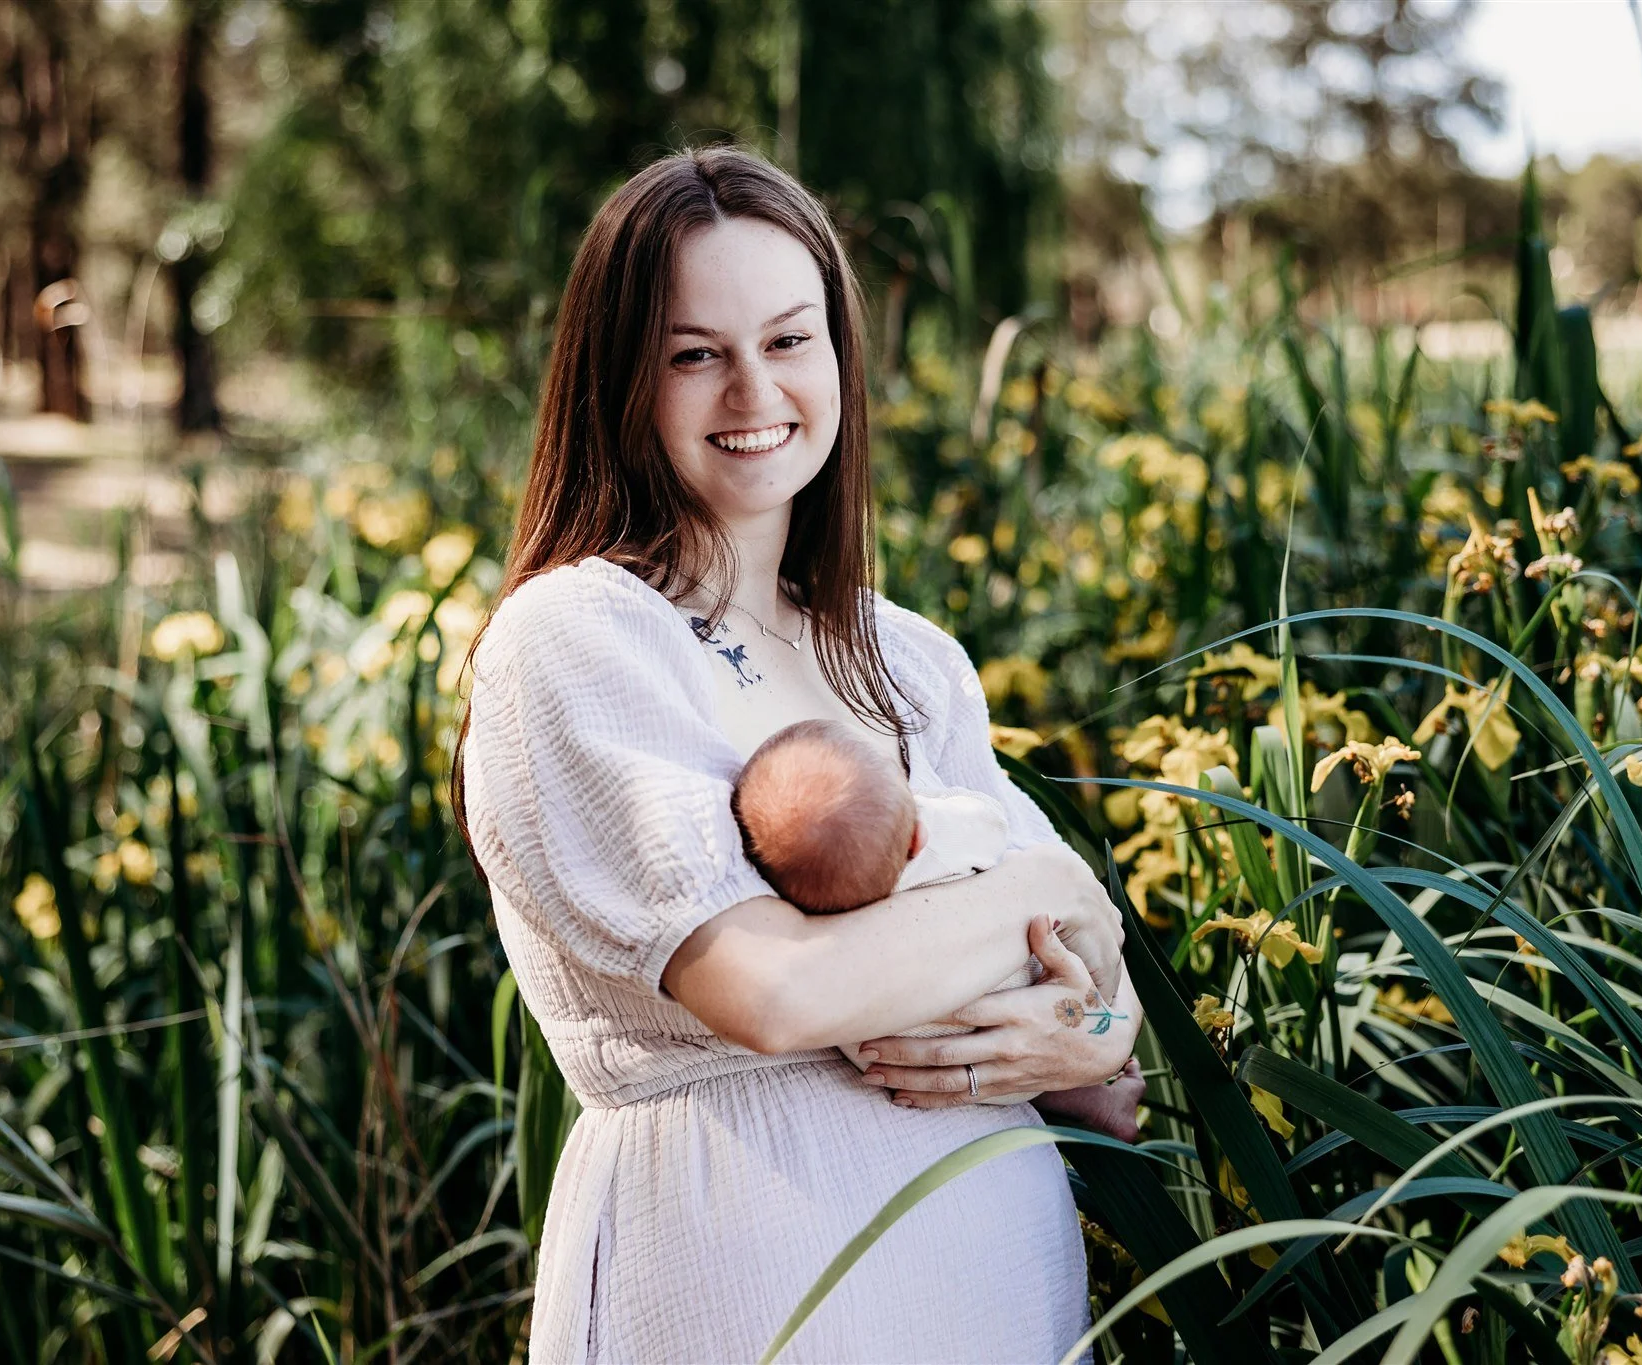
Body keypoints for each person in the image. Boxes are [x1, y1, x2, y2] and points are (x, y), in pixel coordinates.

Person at [459, 144, 1142, 1364]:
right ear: (617, 378)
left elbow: (1101, 1049)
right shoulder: (580, 635)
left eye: (787, 340)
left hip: (998, 1282)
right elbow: (777, 993)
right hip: (753, 1278)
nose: (750, 391)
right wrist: (1052, 888)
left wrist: (1087, 1034)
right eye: (691, 353)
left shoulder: (907, 658)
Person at [730, 718, 1149, 1124]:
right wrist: (932, 810)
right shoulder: (938, 843)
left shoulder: (808, 918)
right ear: (916, 837)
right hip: (1027, 1021)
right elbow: (992, 820)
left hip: (899, 1061)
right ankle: (1092, 1098)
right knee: (1041, 952)